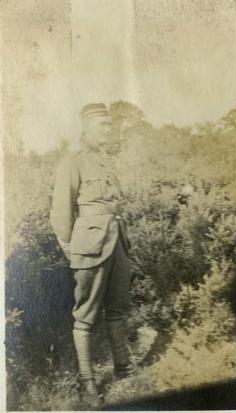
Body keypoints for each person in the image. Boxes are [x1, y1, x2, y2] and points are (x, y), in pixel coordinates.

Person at [50, 103, 133, 407]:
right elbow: (61, 211)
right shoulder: (72, 163)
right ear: (85, 128)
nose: (109, 130)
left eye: (110, 125)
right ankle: (88, 384)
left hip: (117, 241)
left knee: (118, 308)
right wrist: (72, 249)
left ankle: (123, 368)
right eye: (103, 125)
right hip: (90, 246)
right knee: (85, 315)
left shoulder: (106, 162)